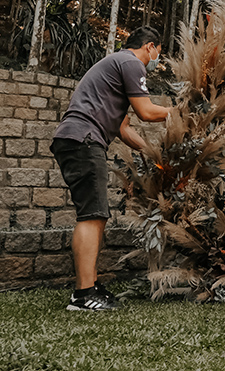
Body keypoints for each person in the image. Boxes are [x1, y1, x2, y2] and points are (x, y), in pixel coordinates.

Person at [50, 26, 173, 311]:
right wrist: (182, 113)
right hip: (84, 139)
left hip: (76, 138)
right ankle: (83, 296)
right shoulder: (131, 62)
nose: (156, 60)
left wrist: (154, 157)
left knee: (95, 215)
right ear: (150, 47)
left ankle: (90, 285)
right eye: (158, 54)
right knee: (92, 215)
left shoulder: (113, 66)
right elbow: (146, 111)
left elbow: (123, 129)